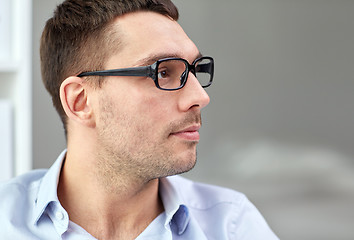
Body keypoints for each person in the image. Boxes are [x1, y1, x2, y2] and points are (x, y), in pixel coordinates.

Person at [0, 0, 279, 239]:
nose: (200, 97)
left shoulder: (231, 225)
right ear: (80, 101)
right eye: (163, 72)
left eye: (194, 70)